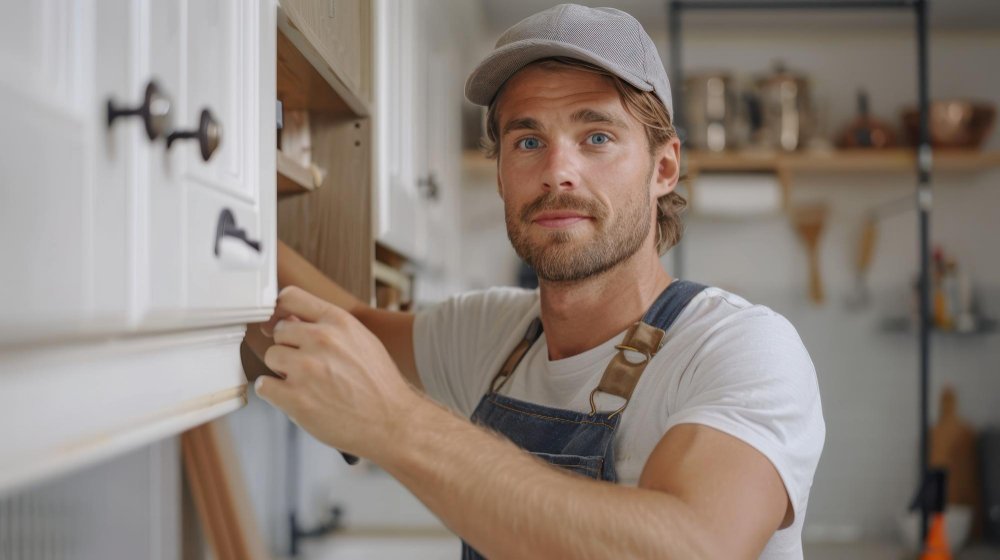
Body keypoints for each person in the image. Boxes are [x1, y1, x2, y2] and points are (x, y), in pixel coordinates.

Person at [248, 4, 824, 558]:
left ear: (664, 168)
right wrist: (222, 215)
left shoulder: (739, 349)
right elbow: (338, 323)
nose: (557, 172)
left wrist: (395, 424)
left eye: (596, 137)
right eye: (527, 141)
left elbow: (690, 549)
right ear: (500, 174)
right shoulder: (493, 335)